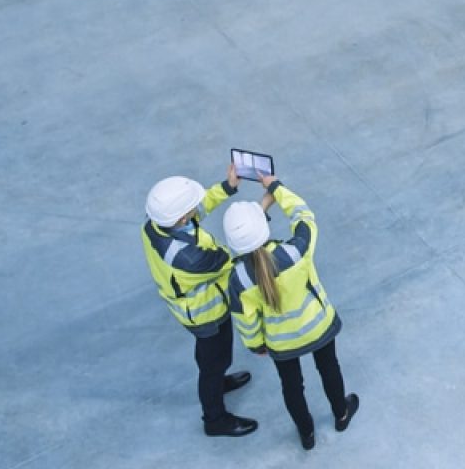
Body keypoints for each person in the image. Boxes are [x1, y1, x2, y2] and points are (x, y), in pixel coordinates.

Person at [223, 177, 359, 451]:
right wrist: (275, 188)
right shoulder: (296, 251)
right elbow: (303, 214)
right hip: (318, 326)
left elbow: (245, 321)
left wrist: (256, 345)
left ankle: (307, 434)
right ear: (263, 227)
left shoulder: (238, 279)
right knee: (329, 368)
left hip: (281, 342)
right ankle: (341, 414)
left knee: (291, 386)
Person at [142, 163, 274, 437]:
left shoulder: (157, 225)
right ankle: (214, 419)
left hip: (192, 308)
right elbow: (235, 259)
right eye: (190, 208)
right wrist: (257, 219)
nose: (196, 210)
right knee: (214, 359)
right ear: (180, 218)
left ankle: (216, 380)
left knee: (210, 358)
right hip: (207, 314)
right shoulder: (189, 258)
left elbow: (196, 214)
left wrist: (227, 188)